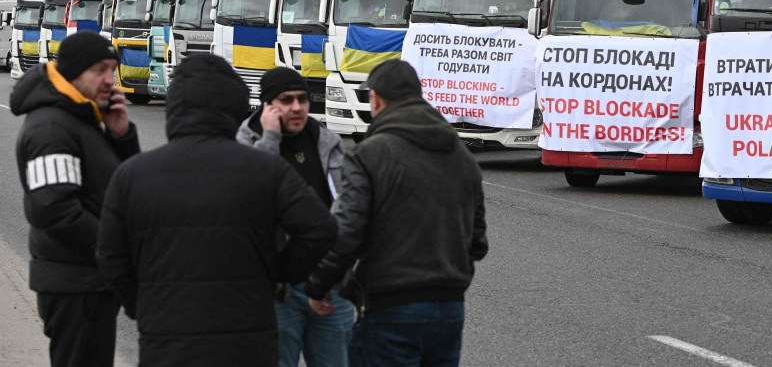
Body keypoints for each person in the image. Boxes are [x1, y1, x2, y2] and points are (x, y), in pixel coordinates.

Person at [95, 54, 338, 367]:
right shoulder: (265, 169)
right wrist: (279, 276)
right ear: (235, 106)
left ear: (175, 106)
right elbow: (321, 229)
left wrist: (140, 305)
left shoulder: (132, 175)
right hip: (248, 340)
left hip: (166, 340)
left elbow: (109, 255)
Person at [303, 59, 488, 367]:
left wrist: (319, 284)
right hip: (450, 307)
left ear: (376, 98)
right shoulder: (462, 157)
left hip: (392, 305)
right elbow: (477, 242)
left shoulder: (369, 154)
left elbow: (348, 230)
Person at [11, 31, 139, 367]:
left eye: (113, 69)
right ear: (73, 72)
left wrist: (121, 137)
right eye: (100, 70)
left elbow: (122, 189)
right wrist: (114, 252)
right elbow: (54, 210)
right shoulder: (51, 128)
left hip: (89, 280)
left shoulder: (82, 117)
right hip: (74, 285)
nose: (110, 80)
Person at [236, 66, 353, 367]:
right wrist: (271, 138)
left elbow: (348, 209)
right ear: (267, 106)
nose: (298, 107)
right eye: (286, 100)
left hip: (329, 284)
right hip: (277, 292)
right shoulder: (245, 145)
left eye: (302, 98)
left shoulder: (327, 142)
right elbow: (254, 200)